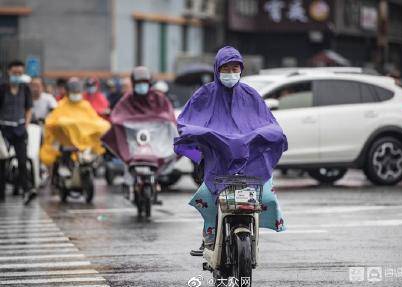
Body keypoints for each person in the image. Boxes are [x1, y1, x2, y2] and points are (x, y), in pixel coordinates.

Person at [174, 46, 287, 254]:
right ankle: (209, 236)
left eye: (235, 68)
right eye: (226, 68)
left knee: (267, 197)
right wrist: (206, 137)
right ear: (217, 69)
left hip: (249, 161)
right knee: (208, 197)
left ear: (241, 70)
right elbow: (186, 121)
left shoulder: (251, 95)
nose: (231, 73)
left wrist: (259, 136)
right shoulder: (204, 94)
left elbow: (269, 123)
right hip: (216, 160)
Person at [104, 66, 176, 204]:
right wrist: (121, 123)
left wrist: (164, 122)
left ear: (149, 83)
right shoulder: (127, 99)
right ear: (133, 83)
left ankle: (157, 180)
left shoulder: (159, 98)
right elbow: (117, 115)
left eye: (144, 82)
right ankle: (129, 182)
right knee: (128, 157)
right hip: (134, 140)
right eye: (138, 83)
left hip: (155, 140)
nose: (141, 86)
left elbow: (168, 114)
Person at [40, 78, 110, 167]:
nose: (76, 95)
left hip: (85, 141)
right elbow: (53, 121)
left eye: (77, 92)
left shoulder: (85, 105)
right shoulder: (62, 105)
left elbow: (94, 120)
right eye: (74, 92)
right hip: (66, 141)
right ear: (68, 93)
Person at [0, 60, 36, 204]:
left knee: (22, 161)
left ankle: (27, 190)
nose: (17, 75)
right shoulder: (2, 88)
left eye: (20, 73)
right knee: (2, 162)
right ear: (9, 72)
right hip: (3, 129)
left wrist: (26, 124)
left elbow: (28, 108)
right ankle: (1, 193)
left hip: (20, 129)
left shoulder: (25, 88)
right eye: (15, 73)